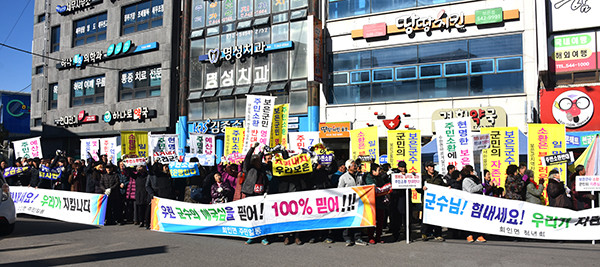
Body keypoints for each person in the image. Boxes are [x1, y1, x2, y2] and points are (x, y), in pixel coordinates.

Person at [338, 159, 368, 246]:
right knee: (347, 220)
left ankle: (358, 237)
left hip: (358, 202)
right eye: (353, 165)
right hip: (347, 202)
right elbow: (339, 190)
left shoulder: (359, 176)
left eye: (355, 165)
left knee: (357, 219)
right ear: (348, 167)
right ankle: (347, 238)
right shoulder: (343, 177)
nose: (355, 167)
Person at [420, 161, 445, 242]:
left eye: (433, 166)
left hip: (437, 200)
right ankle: (424, 234)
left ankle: (438, 234)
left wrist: (447, 187)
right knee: (426, 217)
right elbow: (417, 188)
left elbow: (443, 186)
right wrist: (421, 188)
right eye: (430, 166)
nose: (432, 168)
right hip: (427, 201)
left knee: (437, 217)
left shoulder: (438, 177)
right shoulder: (423, 177)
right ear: (426, 168)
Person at [364, 163, 388, 244]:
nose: (380, 172)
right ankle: (371, 237)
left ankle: (378, 236)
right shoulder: (368, 177)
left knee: (380, 220)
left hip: (380, 202)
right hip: (371, 202)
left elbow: (383, 185)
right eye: (378, 170)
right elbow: (371, 187)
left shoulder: (380, 177)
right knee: (372, 221)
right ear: (373, 171)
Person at [461, 165, 486, 243]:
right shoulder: (466, 180)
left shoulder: (475, 179)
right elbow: (471, 190)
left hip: (477, 203)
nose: (474, 172)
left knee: (478, 219)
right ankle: (469, 235)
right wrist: (481, 186)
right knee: (470, 220)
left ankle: (479, 235)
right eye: (472, 170)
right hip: (469, 203)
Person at [389, 161, 408, 242]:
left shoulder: (408, 175)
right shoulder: (394, 174)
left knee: (406, 217)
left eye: (404, 167)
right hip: (395, 199)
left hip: (405, 198)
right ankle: (395, 234)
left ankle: (407, 234)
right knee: (396, 218)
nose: (403, 169)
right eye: (401, 167)